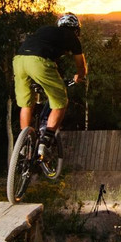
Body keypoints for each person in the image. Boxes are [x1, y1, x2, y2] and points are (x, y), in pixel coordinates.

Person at [13, 13, 88, 150]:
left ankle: (24, 142)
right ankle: (46, 140)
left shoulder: (45, 30)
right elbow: (81, 66)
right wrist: (80, 76)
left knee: (26, 103)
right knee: (60, 101)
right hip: (38, 62)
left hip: (19, 60)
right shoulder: (72, 37)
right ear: (76, 29)